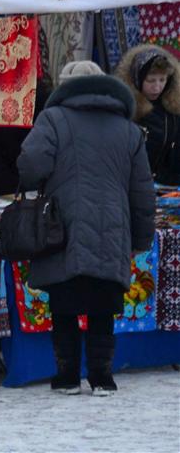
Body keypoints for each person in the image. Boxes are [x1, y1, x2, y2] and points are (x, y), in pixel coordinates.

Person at [18, 61, 155, 395]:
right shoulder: (128, 128)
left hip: (63, 227)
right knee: (103, 305)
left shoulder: (52, 119)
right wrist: (141, 238)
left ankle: (66, 377)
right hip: (112, 228)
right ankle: (102, 377)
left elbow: (31, 164)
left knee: (64, 303)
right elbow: (142, 191)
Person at [114, 44, 180, 186]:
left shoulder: (174, 108)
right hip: (132, 186)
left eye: (162, 80)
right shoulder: (123, 108)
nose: (157, 87)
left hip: (169, 188)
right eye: (151, 80)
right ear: (138, 78)